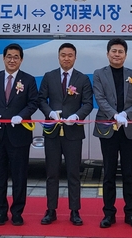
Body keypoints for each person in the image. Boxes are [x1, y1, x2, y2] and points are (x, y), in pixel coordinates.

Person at [93, 38, 132, 229]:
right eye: (114, 51)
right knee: (108, 172)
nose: (117, 54)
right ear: (108, 54)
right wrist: (115, 115)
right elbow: (100, 98)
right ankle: (109, 213)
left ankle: (131, 213)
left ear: (125, 55)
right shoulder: (99, 74)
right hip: (108, 128)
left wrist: (126, 114)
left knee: (129, 173)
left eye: (120, 51)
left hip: (128, 130)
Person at [0, 43, 40, 226]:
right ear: (3, 58)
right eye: (9, 56)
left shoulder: (28, 80)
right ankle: (0, 212)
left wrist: (21, 116)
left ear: (21, 60)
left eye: (16, 57)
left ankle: (17, 212)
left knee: (19, 177)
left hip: (19, 136)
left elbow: (33, 103)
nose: (12, 60)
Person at [38, 42, 93, 226]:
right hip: (52, 132)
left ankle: (75, 211)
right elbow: (41, 99)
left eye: (70, 55)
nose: (66, 58)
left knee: (74, 173)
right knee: (52, 173)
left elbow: (88, 103)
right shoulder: (49, 76)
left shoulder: (82, 79)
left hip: (73, 132)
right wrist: (50, 113)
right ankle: (50, 210)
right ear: (58, 56)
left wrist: (77, 116)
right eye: (63, 55)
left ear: (75, 57)